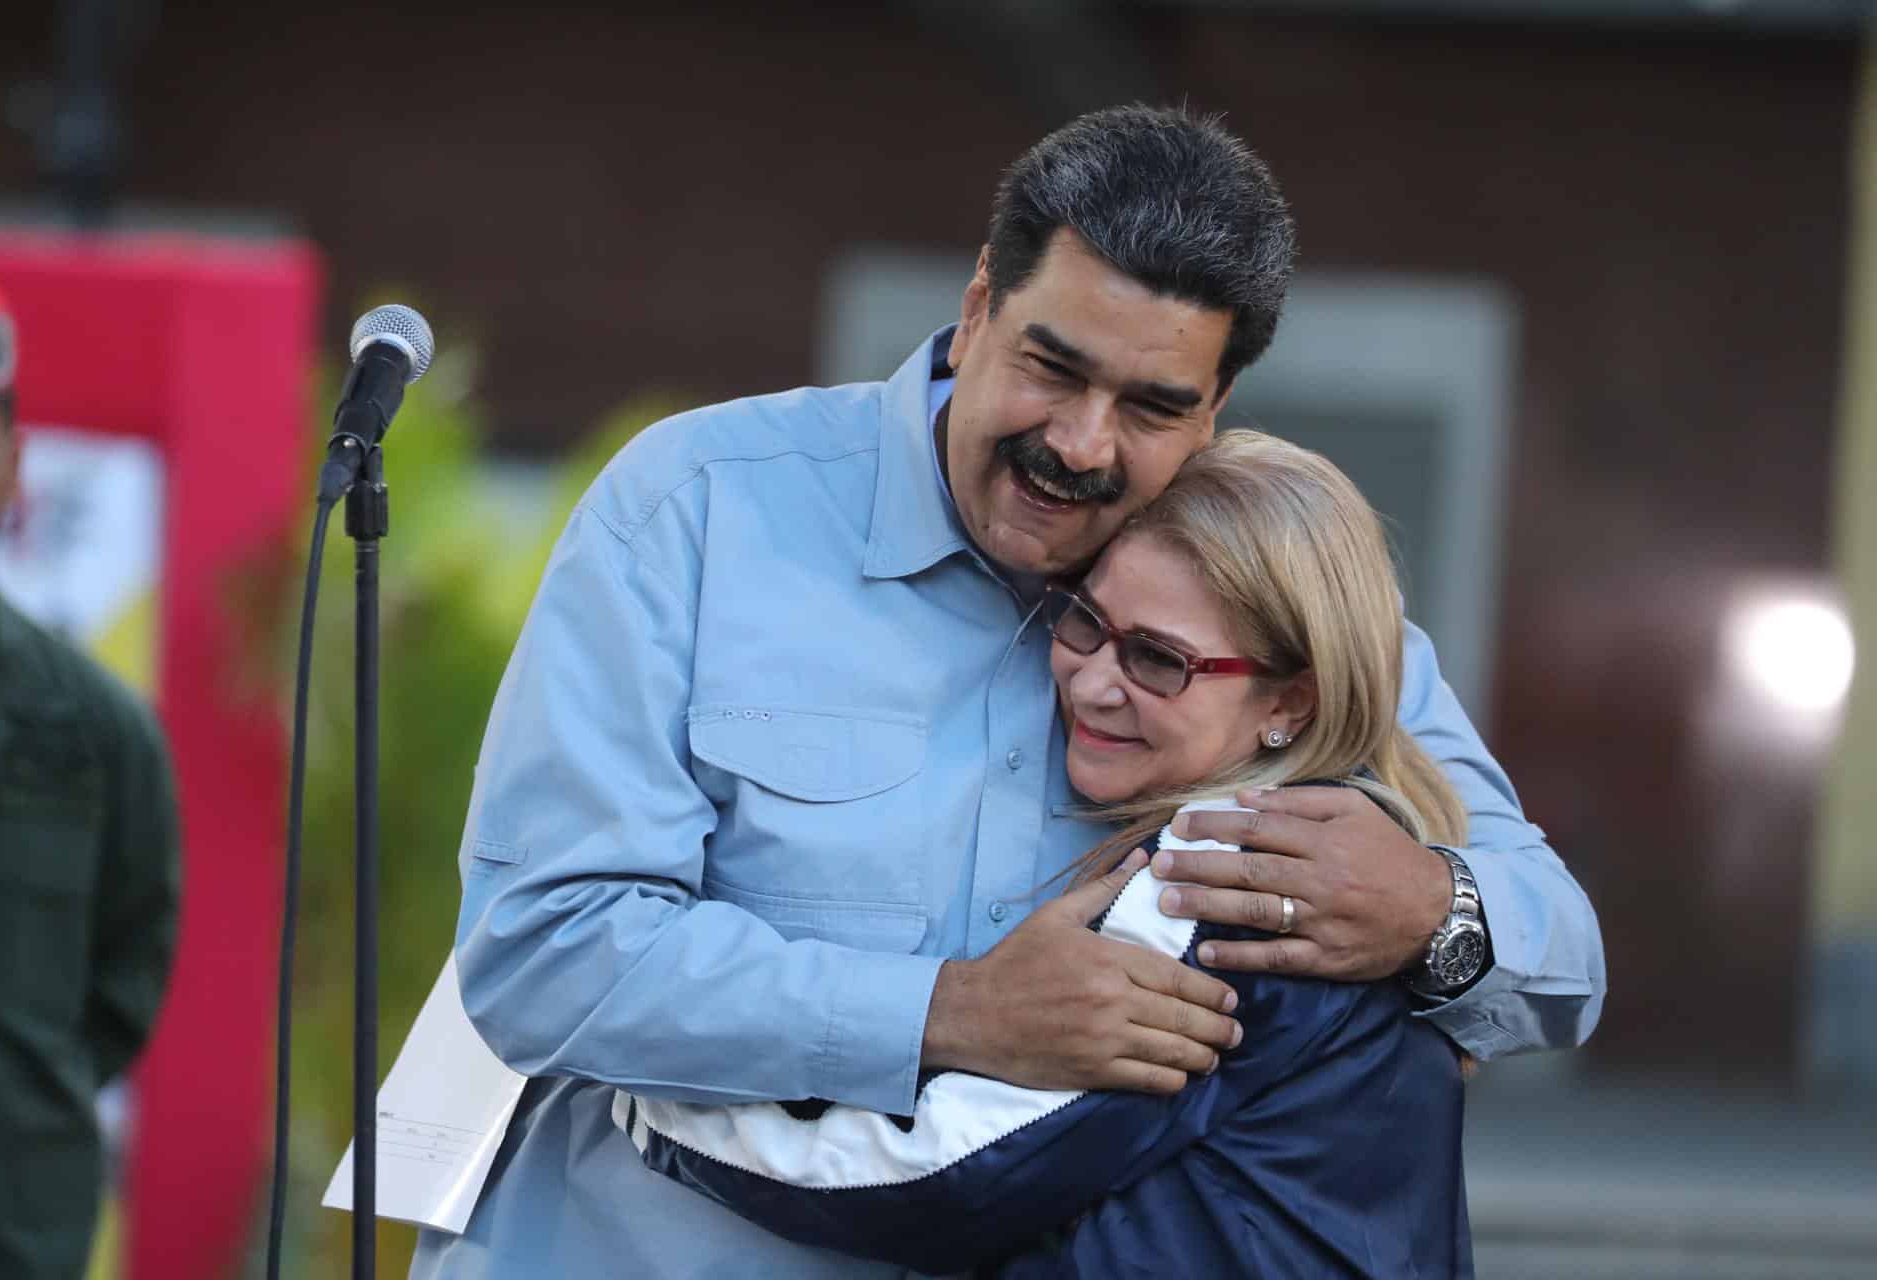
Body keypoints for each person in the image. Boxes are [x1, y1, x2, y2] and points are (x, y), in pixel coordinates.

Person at [414, 105, 1602, 1278]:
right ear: (980, 305)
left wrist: (1430, 914)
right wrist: (948, 1010)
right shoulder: (698, 507)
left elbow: (1562, 954)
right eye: (1053, 367)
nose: (1082, 444)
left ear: (1216, 406)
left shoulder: (1281, 618)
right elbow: (541, 951)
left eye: (1151, 407)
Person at [622, 429, 1474, 1277]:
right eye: (1085, 621)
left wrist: (655, 1113)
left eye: (1158, 660)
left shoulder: (1233, 872)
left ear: (1288, 701)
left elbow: (940, 1177)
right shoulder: (1359, 845)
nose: (1094, 680)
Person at [0, 283, 181, 1277]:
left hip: (11, 1226)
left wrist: (11, 1095)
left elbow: (127, 971)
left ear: (14, 472)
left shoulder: (98, 726)